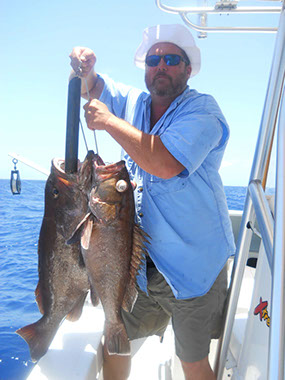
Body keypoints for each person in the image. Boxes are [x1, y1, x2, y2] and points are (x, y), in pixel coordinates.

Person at [69, 24, 235, 380]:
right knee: (117, 341)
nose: (161, 66)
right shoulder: (136, 103)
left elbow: (164, 163)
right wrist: (87, 67)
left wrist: (110, 123)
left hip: (193, 270)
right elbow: (95, 88)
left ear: (188, 70)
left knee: (192, 360)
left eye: (171, 59)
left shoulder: (203, 111)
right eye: (153, 59)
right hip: (141, 266)